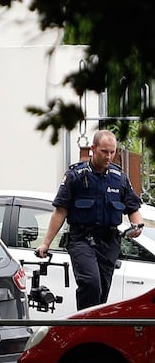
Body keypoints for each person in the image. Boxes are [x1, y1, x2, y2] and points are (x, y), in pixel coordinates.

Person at [35, 129, 144, 310]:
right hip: (81, 240)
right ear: (93, 148)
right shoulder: (76, 176)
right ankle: (85, 327)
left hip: (108, 243)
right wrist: (46, 244)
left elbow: (133, 209)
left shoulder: (119, 178)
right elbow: (60, 211)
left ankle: (93, 329)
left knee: (102, 291)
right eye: (104, 151)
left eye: (112, 152)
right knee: (91, 283)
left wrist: (137, 226)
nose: (109, 156)